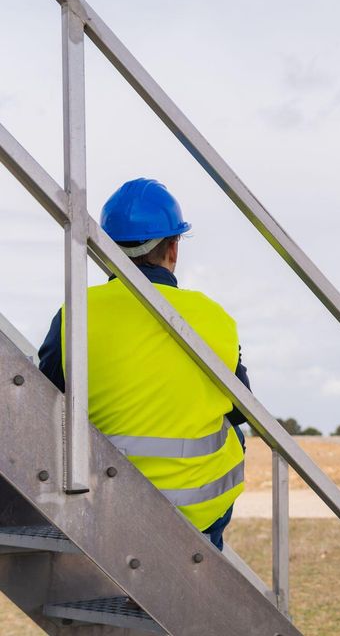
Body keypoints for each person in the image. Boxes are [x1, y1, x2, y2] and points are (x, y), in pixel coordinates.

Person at [37, 178, 249, 551]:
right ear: (173, 248)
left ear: (107, 249)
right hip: (197, 509)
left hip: (104, 502)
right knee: (235, 434)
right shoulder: (214, 317)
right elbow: (242, 408)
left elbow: (46, 395)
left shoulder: (77, 311)